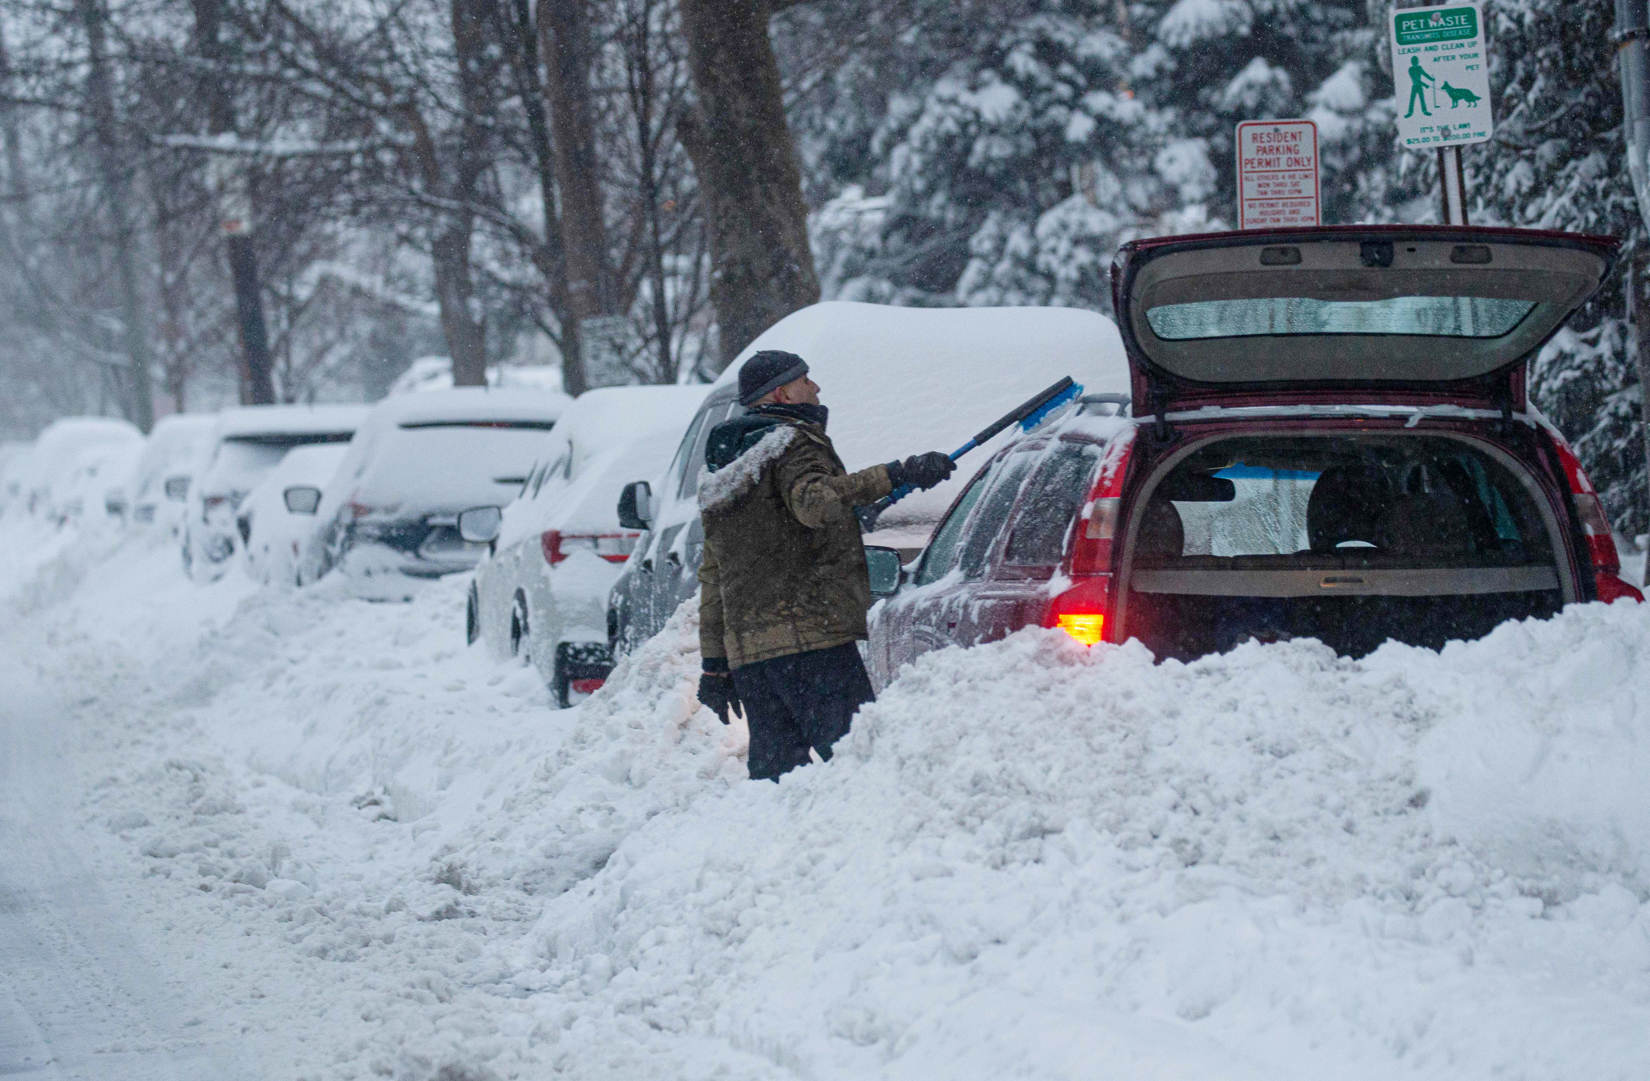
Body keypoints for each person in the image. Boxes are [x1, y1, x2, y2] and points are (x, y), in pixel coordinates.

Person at [694, 349, 955, 780]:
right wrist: (896, 473)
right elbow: (814, 503)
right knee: (858, 769)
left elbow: (714, 574)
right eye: (805, 380)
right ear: (781, 393)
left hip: (753, 660)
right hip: (811, 644)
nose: (815, 388)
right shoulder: (791, 442)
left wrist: (715, 664)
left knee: (776, 783)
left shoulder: (723, 471)